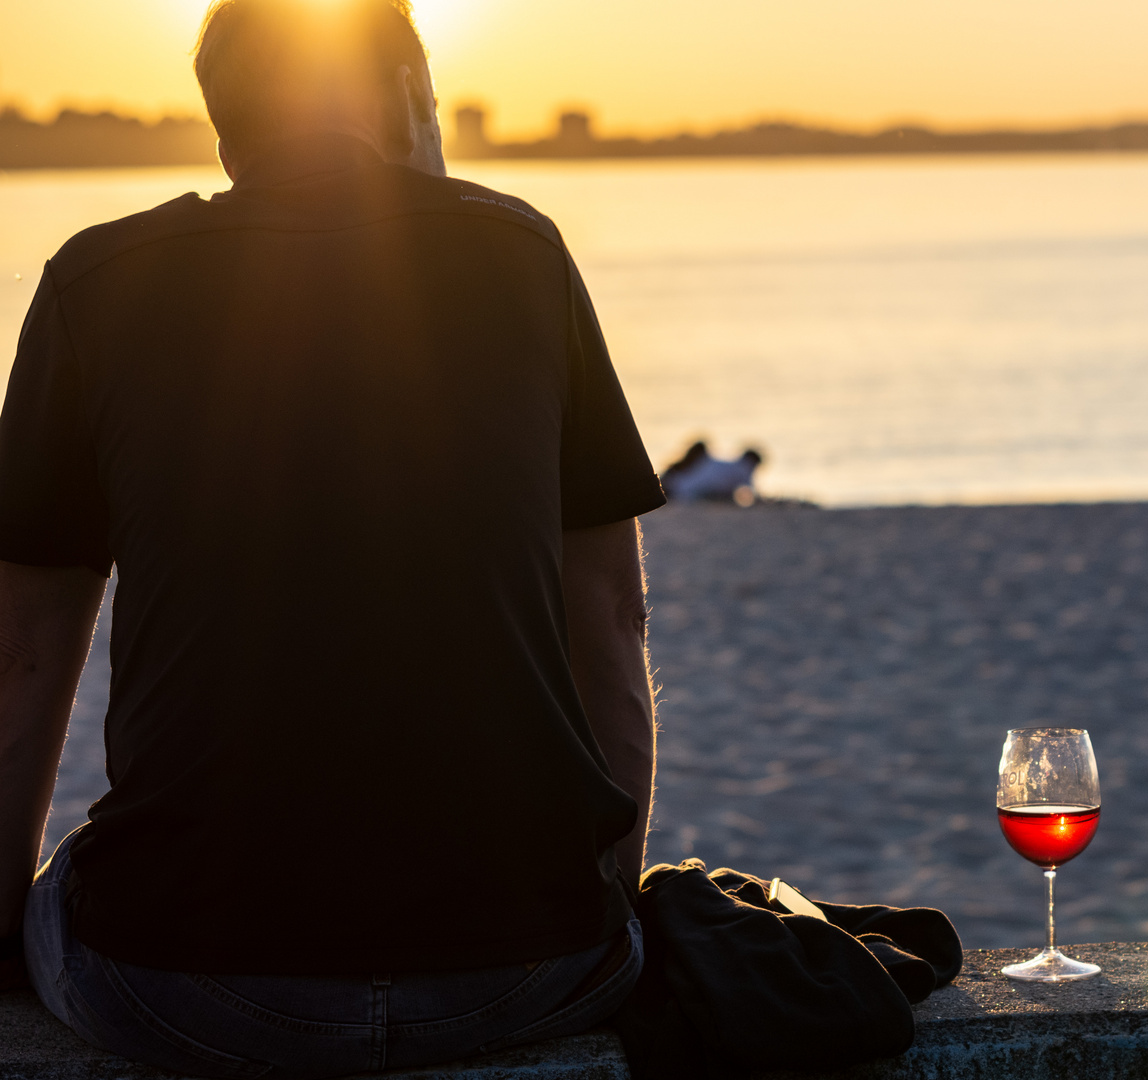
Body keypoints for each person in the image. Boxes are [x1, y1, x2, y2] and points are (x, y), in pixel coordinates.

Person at [0, 2, 665, 1076]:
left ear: (224, 131)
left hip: (192, 982)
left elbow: (21, 654)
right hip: (523, 970)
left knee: (72, 881)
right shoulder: (522, 255)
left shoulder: (95, 284)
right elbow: (612, 617)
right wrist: (603, 911)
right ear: (409, 98)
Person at [661, 441, 765, 505]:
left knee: (668, 486)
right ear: (753, 462)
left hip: (679, 483)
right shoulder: (744, 469)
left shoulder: (727, 464)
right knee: (671, 488)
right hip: (684, 493)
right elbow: (752, 496)